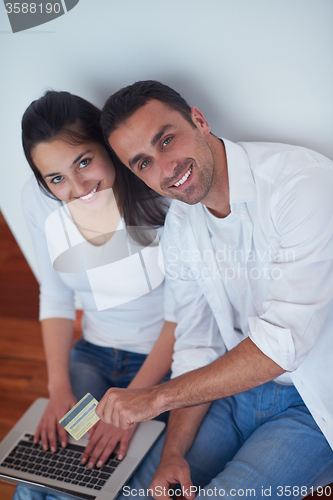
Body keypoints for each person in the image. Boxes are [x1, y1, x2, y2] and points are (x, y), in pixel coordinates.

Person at [95, 80, 333, 498]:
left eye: (166, 140)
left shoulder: (300, 183)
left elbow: (283, 344)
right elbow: (196, 343)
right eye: (143, 163)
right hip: (233, 389)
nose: (166, 169)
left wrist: (154, 399)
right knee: (142, 491)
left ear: (199, 120)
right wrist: (174, 452)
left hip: (314, 402)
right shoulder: (182, 227)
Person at [13, 90, 176, 500]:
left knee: (99, 481)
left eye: (83, 161)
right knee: (44, 473)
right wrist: (59, 389)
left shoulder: (162, 196)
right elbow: (55, 297)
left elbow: (187, 316)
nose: (78, 187)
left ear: (107, 146)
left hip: (162, 368)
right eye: (56, 179)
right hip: (94, 357)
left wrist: (135, 404)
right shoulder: (41, 205)